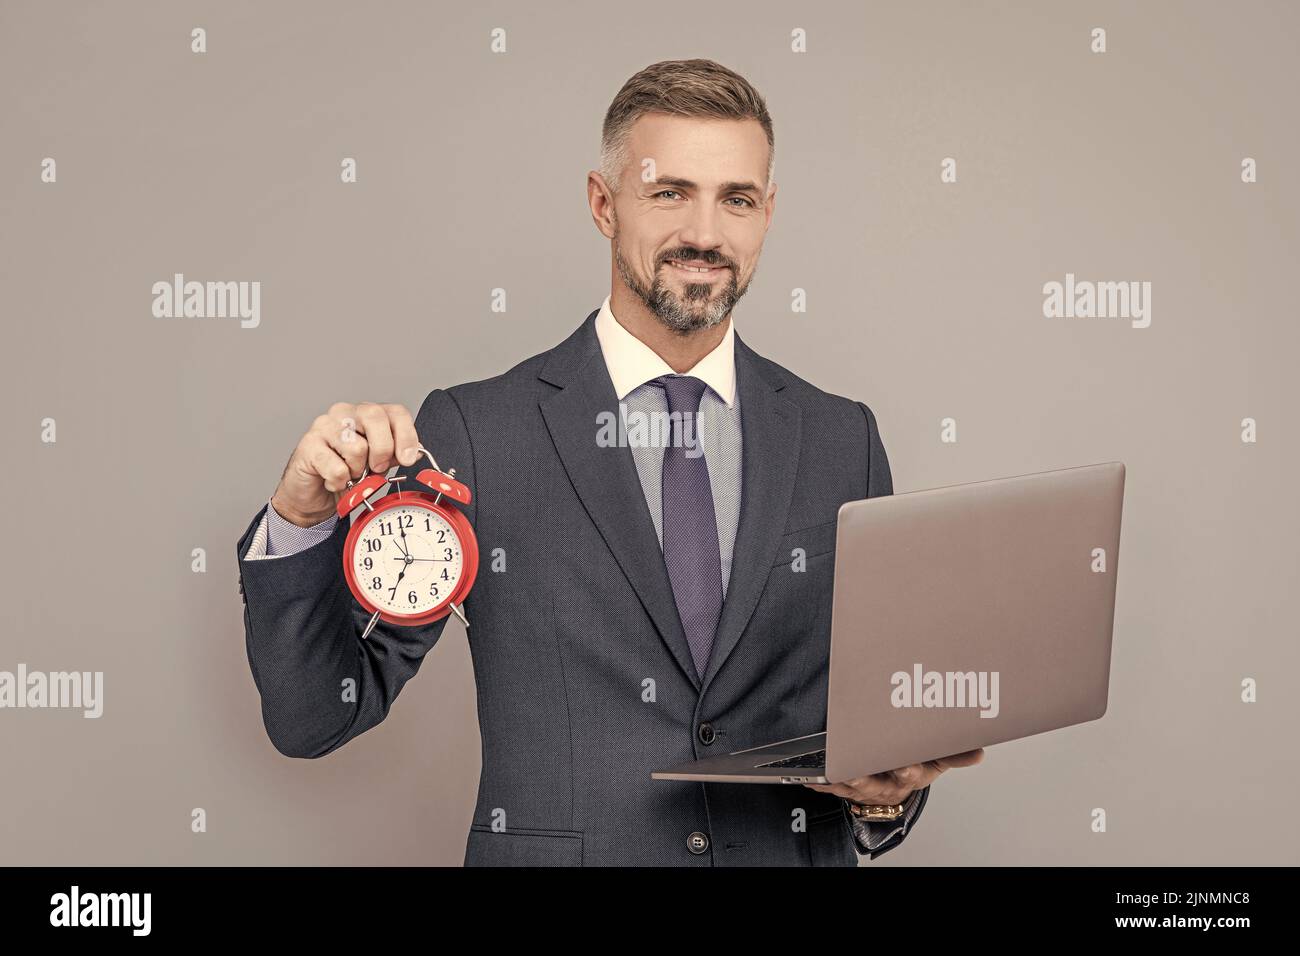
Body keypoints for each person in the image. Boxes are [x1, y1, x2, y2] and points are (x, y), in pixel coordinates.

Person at [237, 58, 981, 866]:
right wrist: (302, 519)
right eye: (669, 192)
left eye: (736, 199)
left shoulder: (844, 439)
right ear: (603, 204)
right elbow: (315, 715)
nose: (704, 232)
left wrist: (891, 793)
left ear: (768, 213)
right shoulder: (478, 430)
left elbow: (878, 727)